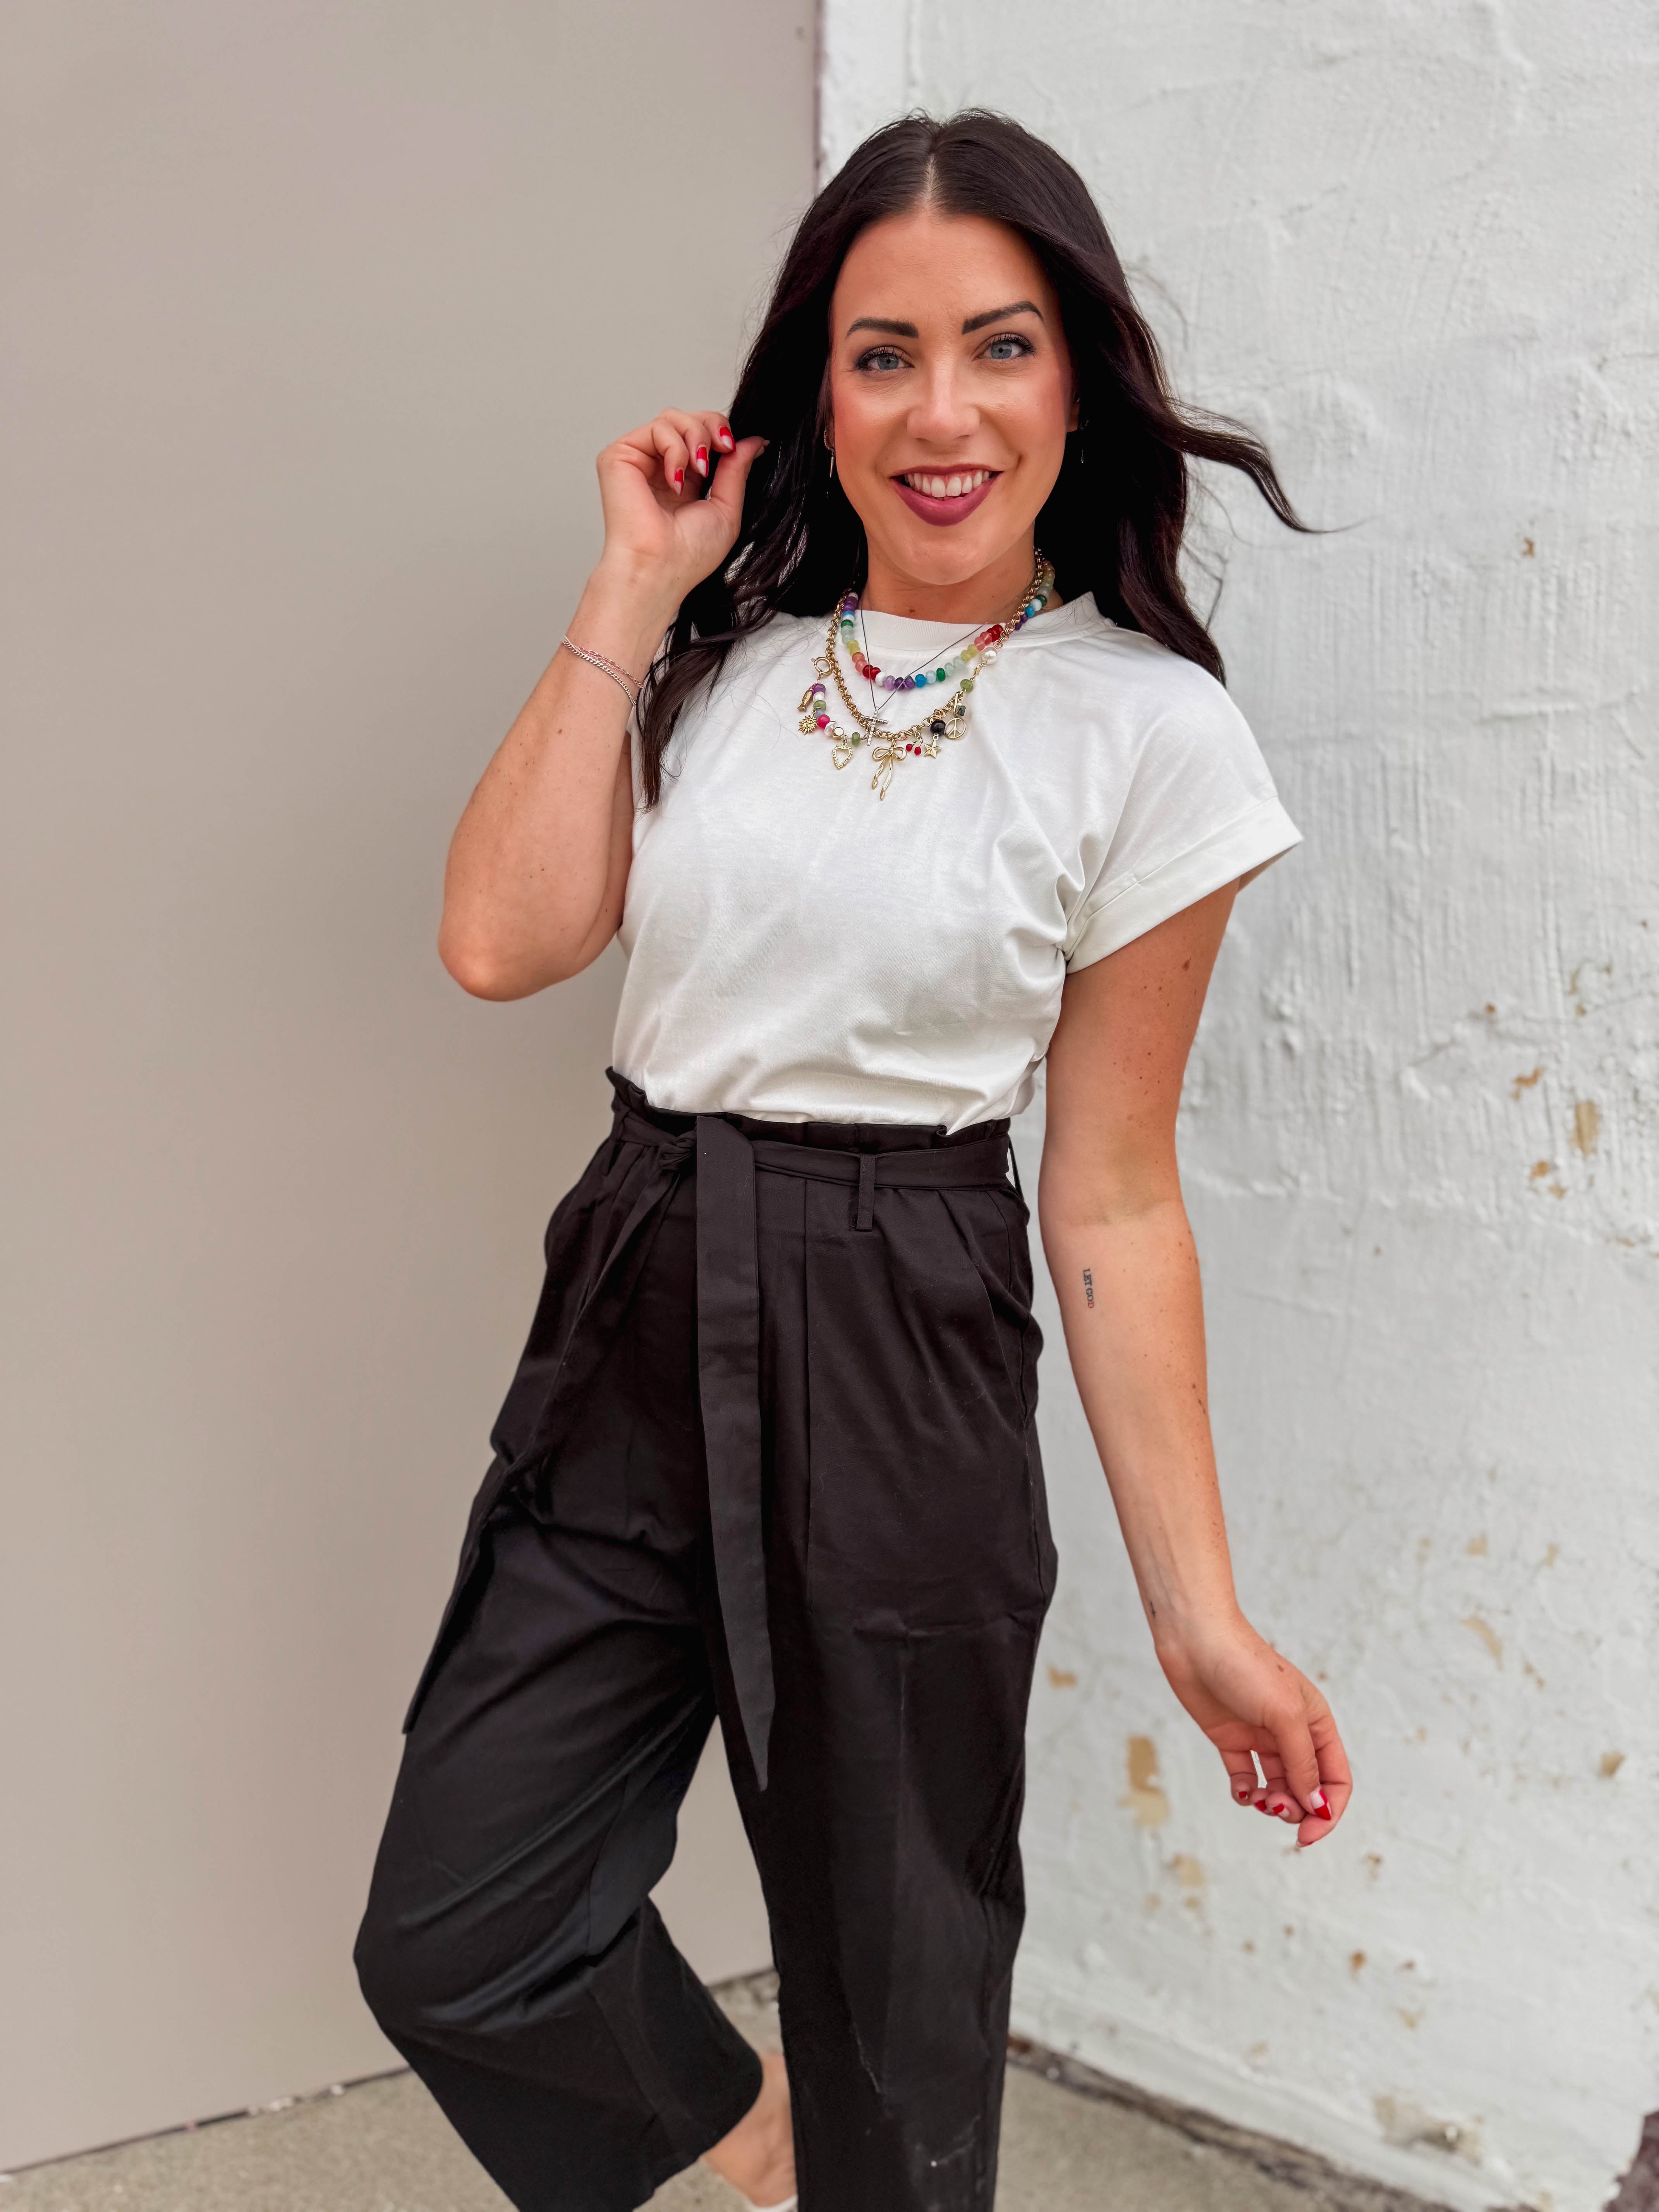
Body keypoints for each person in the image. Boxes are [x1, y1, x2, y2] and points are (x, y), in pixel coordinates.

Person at [354, 108, 1352, 2212]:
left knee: (899, 2007)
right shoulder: (720, 665)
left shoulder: (1149, 733)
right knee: (460, 1929)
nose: (942, 413)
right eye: (883, 354)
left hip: (904, 1318)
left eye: (1000, 346)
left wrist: (1200, 1615)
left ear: (1076, 378)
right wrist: (634, 583)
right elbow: (500, 941)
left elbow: (1112, 1191)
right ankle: (756, 2138)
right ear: (818, 389)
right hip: (640, 1281)